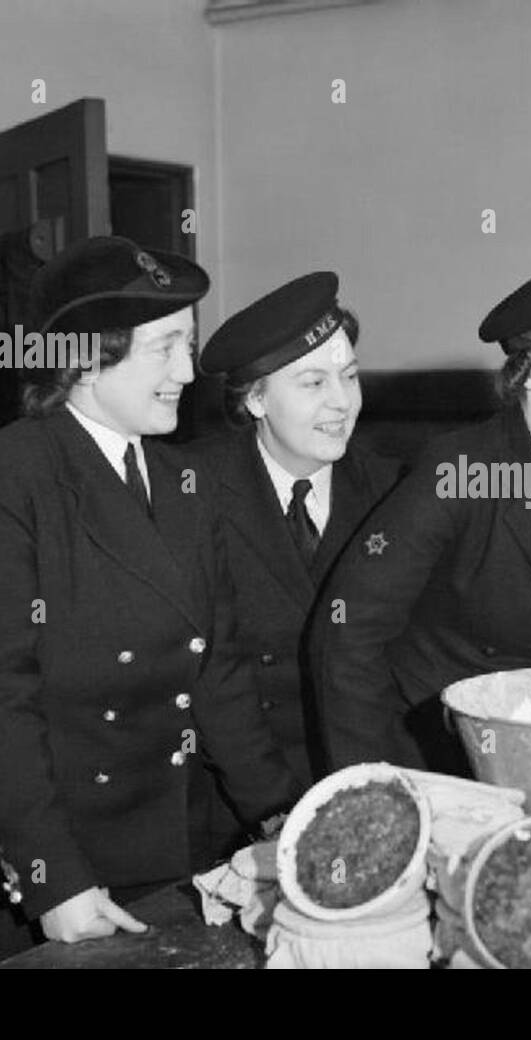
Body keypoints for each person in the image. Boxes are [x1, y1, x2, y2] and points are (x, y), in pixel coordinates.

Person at [0, 237, 297, 968]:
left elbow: (220, 674)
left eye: (190, 343)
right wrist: (52, 875)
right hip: (31, 863)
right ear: (86, 359)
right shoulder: (0, 481)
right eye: (166, 347)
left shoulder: (184, 483)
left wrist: (276, 815)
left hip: (157, 844)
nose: (188, 371)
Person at [313, 263, 531, 771]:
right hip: (449, 755)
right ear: (530, 373)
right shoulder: (464, 469)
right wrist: (375, 779)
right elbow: (348, 630)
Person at [187, 272, 401, 794]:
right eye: (313, 384)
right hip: (236, 791)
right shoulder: (191, 492)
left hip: (364, 775)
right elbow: (211, 682)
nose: (342, 403)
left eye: (349, 377)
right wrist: (275, 809)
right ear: (255, 400)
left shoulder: (392, 490)